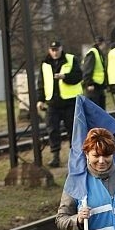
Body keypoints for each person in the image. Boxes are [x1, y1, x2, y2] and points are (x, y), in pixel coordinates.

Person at [37, 40, 82, 168]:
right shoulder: (45, 64)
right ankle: (55, 156)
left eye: (57, 49)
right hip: (52, 103)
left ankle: (76, 157)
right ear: (49, 50)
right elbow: (41, 83)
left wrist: (65, 77)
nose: (55, 52)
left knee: (72, 130)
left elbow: (78, 76)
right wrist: (40, 99)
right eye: (53, 50)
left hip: (70, 101)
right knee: (52, 129)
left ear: (61, 48)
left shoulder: (71, 59)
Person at [82, 36, 107, 110]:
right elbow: (87, 69)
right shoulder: (93, 53)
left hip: (99, 86)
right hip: (93, 87)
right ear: (102, 43)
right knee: (94, 110)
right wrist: (89, 83)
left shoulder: (98, 53)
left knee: (100, 110)